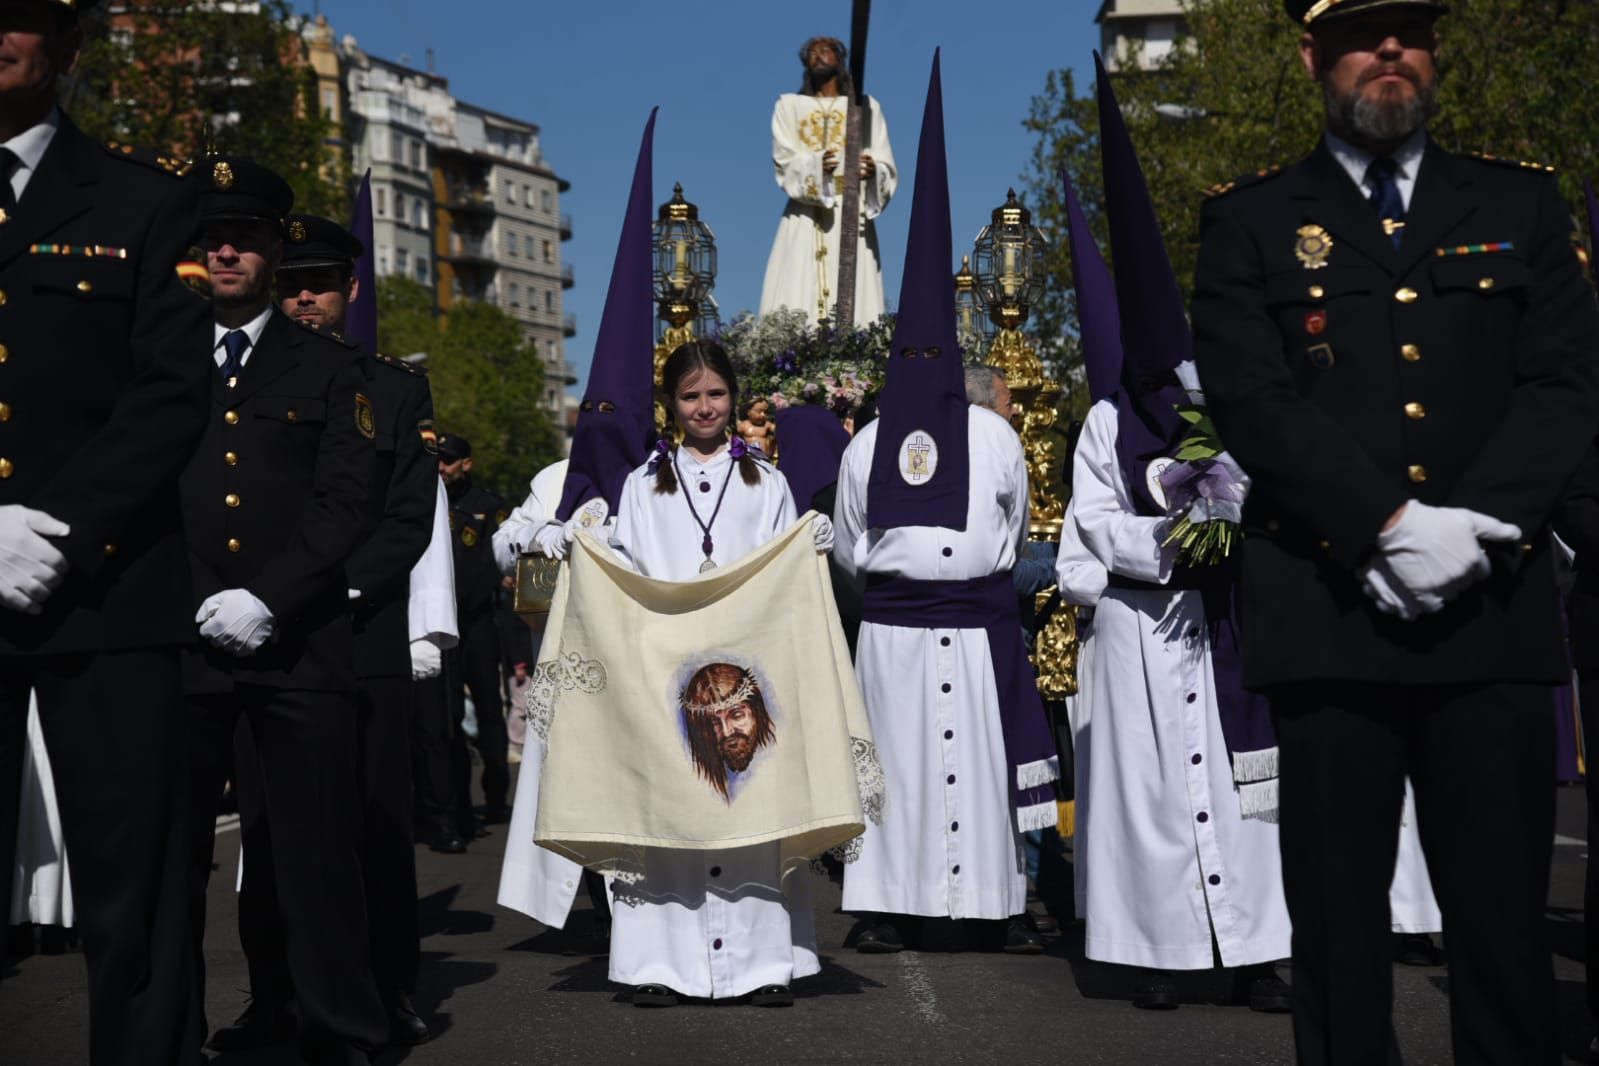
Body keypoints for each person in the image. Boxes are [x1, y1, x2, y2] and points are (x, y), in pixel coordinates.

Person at [1191, 1, 1599, 1061]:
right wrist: (1381, 524)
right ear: (1313, 56)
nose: (1389, 52)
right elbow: (1250, 394)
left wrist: (1480, 529)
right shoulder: (1249, 218)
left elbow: (1564, 383)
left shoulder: (1523, 202)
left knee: (1506, 931)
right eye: (1363, 31)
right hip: (1332, 615)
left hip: (1489, 618)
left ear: (1432, 52)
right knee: (1336, 933)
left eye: (1409, 29)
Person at [0, 3, 213, 1061]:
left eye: (19, 17)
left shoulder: (146, 202)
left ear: (69, 48)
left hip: (111, 592)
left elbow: (171, 392)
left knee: (135, 893)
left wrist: (63, 530)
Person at [1064, 57, 1294, 1013]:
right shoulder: (1103, 424)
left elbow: (1265, 490)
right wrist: (1172, 538)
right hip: (1141, 628)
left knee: (1248, 796)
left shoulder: (1225, 406)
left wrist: (1225, 515)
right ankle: (1159, 952)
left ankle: (1256, 950)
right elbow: (1091, 522)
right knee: (1149, 798)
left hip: (1222, 626)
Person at [833, 52, 1055, 957]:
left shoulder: (995, 437)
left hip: (975, 624)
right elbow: (851, 545)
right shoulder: (863, 446)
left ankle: (990, 904)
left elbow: (1011, 525)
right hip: (892, 631)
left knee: (976, 767)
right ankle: (886, 903)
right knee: (899, 771)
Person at [178, 156, 385, 1065]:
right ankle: (179, 1028)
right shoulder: (163, 353)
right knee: (174, 858)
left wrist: (267, 597)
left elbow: (344, 501)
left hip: (298, 642)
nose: (229, 251)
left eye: (247, 237)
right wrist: (196, 600)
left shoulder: (329, 369)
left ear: (269, 250)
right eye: (215, 237)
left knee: (313, 853)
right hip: (181, 643)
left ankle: (341, 1026)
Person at [597, 338, 832, 1006]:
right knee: (667, 816)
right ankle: (659, 965)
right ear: (670, 405)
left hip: (747, 676)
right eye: (690, 396)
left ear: (735, 397)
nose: (704, 407)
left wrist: (809, 550)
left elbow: (786, 582)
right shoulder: (642, 485)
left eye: (716, 394)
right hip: (666, 670)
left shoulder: (767, 481)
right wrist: (590, 544)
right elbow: (629, 570)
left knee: (754, 813)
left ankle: (763, 964)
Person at [497, 113, 660, 954]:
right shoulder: (558, 479)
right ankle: (588, 894)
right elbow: (507, 541)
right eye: (587, 413)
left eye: (613, 415)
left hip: (639, 659)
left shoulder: (664, 481)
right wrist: (550, 534)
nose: (599, 425)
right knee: (580, 782)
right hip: (572, 658)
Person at [274, 213, 437, 1046]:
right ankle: (274, 995)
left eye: (319, 285)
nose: (304, 299)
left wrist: (326, 587)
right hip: (265, 636)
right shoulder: (246, 386)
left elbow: (406, 520)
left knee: (375, 822)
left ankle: (387, 987)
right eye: (291, 285)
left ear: (350, 291)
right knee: (274, 832)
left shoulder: (396, 392)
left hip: (358, 629)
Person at [758, 35, 896, 326]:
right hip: (805, 213)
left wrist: (873, 173)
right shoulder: (789, 106)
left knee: (854, 287)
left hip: (852, 212)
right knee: (798, 282)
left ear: (840, 59)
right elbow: (784, 159)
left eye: (826, 50)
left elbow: (885, 162)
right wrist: (816, 165)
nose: (818, 55)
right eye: (811, 52)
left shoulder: (866, 107)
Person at [437, 434, 511, 830]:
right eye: (438, 460)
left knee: (489, 713)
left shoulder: (489, 506)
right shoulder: (427, 503)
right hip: (444, 624)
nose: (441, 468)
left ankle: (497, 796)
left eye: (448, 461)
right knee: (448, 719)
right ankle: (459, 806)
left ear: (466, 463)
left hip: (479, 621)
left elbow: (492, 565)